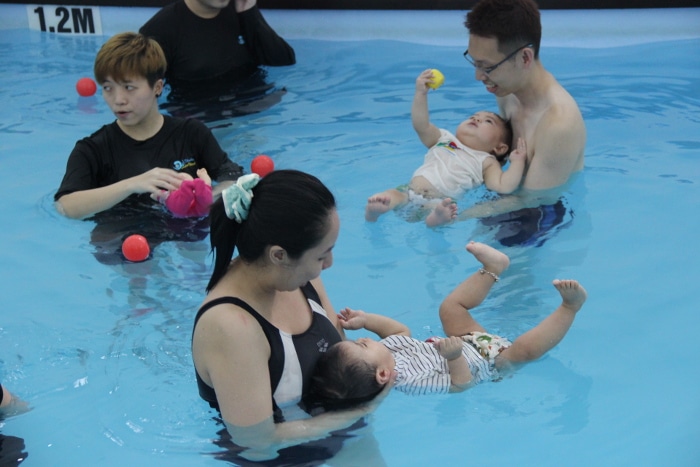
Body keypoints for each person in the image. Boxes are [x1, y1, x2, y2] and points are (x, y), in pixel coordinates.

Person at [192, 170, 391, 462]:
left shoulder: (300, 276)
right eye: (323, 255)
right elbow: (255, 442)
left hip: (347, 437)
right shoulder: (231, 326)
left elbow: (343, 352)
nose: (329, 264)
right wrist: (359, 411)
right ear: (279, 255)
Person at [307, 242, 586, 402]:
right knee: (522, 352)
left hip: (467, 340)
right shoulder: (411, 382)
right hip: (491, 364)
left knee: (450, 308)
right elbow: (461, 385)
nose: (364, 340)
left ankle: (493, 269)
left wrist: (367, 320)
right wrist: (453, 358)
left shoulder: (388, 355)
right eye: (363, 346)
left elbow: (399, 331)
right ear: (382, 375)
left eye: (360, 340)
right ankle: (569, 308)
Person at [54, 33, 243, 261]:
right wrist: (132, 184)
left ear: (157, 87)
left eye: (129, 87)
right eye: (107, 88)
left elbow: (232, 176)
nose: (118, 100)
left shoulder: (191, 133)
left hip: (187, 233)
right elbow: (66, 206)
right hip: (122, 241)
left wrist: (206, 199)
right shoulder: (92, 149)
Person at [458, 0, 586, 243]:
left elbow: (531, 200)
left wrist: (457, 216)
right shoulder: (508, 94)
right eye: (474, 62)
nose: (478, 76)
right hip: (506, 195)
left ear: (525, 57)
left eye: (487, 67)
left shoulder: (559, 123)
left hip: (540, 215)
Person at [365, 69, 526, 227]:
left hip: (439, 202)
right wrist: (421, 93)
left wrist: (517, 161)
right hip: (409, 192)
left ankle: (436, 219)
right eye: (473, 116)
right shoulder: (444, 138)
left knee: (443, 209)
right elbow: (421, 125)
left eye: (488, 121)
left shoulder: (487, 161)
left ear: (500, 148)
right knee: (394, 195)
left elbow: (502, 186)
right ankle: (377, 209)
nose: (477, 118)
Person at [139, 0, 295, 119]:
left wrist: (250, 14)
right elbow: (143, 92)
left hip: (258, 107)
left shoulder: (240, 10)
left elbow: (284, 61)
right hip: (203, 118)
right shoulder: (160, 30)